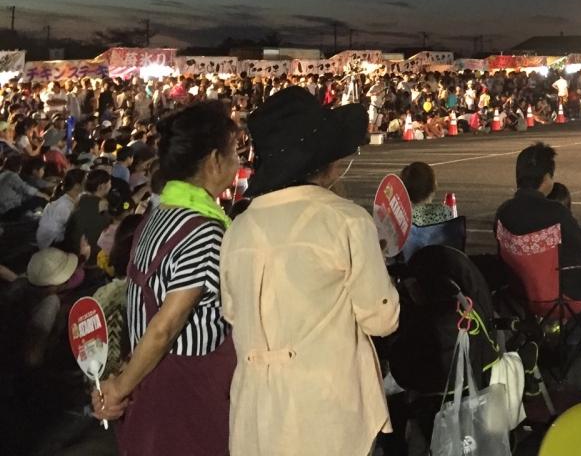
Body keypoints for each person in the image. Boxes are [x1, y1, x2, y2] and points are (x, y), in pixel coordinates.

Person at [220, 86, 400, 456]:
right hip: (329, 410)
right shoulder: (346, 220)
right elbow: (381, 319)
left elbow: (233, 312)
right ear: (327, 163)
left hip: (256, 413)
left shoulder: (237, 229)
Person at [92, 100, 240, 456]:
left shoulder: (158, 216)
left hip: (152, 381)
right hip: (187, 395)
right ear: (214, 160)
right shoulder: (204, 231)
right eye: (235, 151)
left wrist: (122, 382)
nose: (239, 161)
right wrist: (119, 388)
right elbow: (165, 325)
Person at [495, 142, 581, 348]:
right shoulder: (554, 212)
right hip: (560, 296)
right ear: (546, 178)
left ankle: (576, 334)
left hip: (520, 294)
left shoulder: (503, 212)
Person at [400, 160, 451, 261]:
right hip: (442, 264)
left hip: (412, 267)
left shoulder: (402, 217)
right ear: (433, 186)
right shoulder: (445, 211)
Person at [36, 168, 87, 248]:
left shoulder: (68, 198)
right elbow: (75, 228)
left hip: (49, 240)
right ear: (77, 186)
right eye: (86, 181)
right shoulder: (64, 205)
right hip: (51, 244)